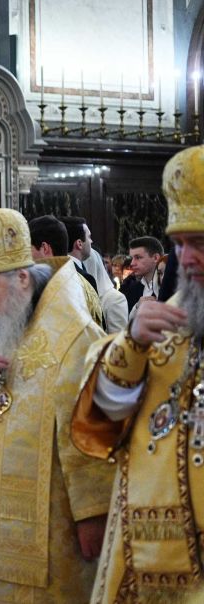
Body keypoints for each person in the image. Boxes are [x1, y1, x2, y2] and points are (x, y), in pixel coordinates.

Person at [0, 208, 113, 601]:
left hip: (51, 513)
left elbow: (95, 425)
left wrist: (93, 513)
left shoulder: (74, 333)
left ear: (22, 279)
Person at [72, 145, 204, 602]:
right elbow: (100, 427)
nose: (187, 259)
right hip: (146, 556)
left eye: (200, 243)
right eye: (180, 244)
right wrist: (130, 346)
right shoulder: (160, 323)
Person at [119, 235, 165, 316]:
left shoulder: (169, 287)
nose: (132, 263)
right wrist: (137, 307)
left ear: (155, 258)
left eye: (138, 257)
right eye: (132, 258)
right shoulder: (129, 288)